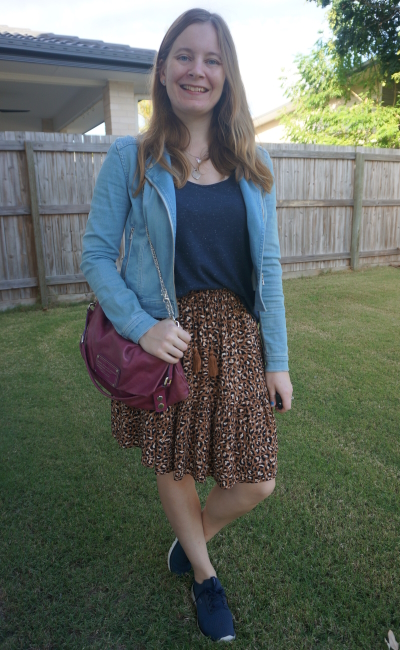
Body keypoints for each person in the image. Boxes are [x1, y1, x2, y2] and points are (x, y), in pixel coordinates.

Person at [81, 7, 293, 643]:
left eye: (212, 58)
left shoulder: (254, 169)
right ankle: (204, 576)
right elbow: (96, 253)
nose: (197, 70)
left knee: (257, 479)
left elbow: (271, 270)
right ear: (164, 68)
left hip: (236, 337)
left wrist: (277, 359)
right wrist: (140, 326)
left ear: (226, 75)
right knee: (174, 462)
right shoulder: (132, 156)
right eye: (184, 55)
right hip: (169, 336)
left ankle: (189, 538)